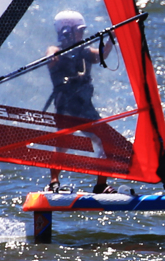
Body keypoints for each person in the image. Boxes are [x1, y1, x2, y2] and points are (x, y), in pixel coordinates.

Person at [44, 10, 116, 194]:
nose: (82, 34)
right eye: (79, 31)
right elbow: (50, 55)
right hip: (65, 106)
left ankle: (101, 185)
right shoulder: (57, 52)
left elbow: (101, 56)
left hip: (84, 106)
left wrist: (111, 39)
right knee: (63, 144)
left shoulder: (85, 52)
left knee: (105, 140)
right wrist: (51, 54)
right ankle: (53, 182)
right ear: (66, 31)